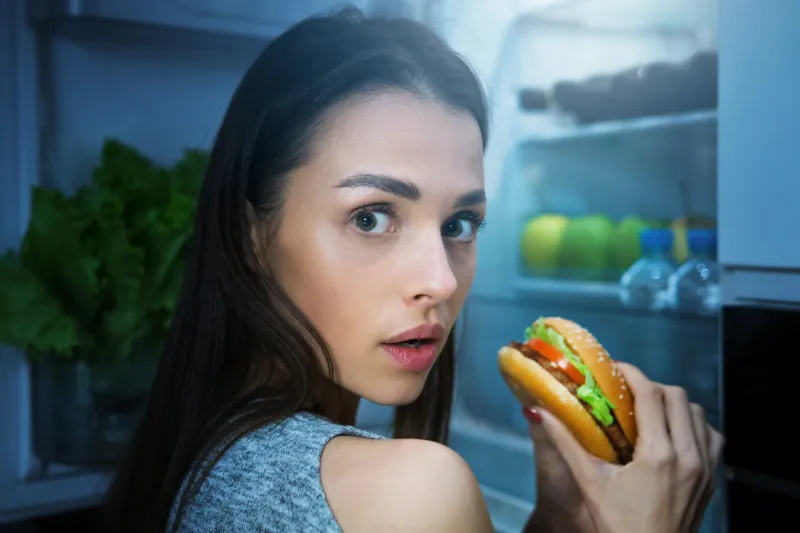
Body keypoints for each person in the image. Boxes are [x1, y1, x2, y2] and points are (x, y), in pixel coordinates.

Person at [104, 6, 724, 533]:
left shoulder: (203, 453)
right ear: (250, 238)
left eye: (459, 225)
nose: (442, 281)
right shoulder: (411, 494)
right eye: (372, 217)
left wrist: (558, 518)